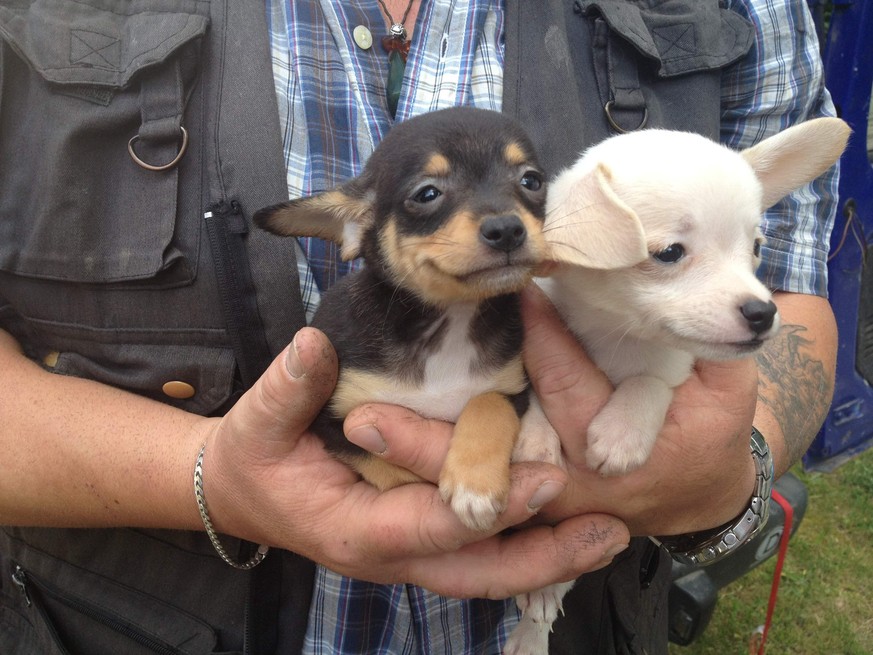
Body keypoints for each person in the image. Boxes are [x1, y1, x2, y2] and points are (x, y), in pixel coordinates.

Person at [0, 0, 838, 653]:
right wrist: (211, 480)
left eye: (526, 188)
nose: (504, 221)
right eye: (433, 198)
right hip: (141, 620)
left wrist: (739, 457)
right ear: (356, 232)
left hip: (579, 615)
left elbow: (794, 277)